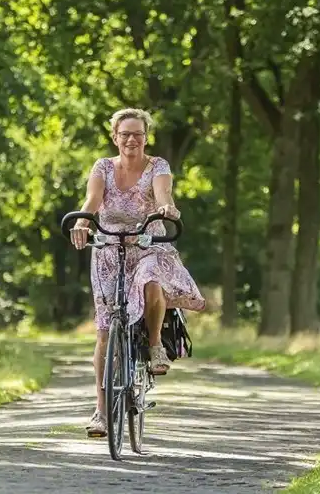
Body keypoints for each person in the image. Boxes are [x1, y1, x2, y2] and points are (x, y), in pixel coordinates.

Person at [70, 107, 206, 438]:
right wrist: (82, 221)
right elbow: (92, 200)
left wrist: (166, 208)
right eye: (125, 134)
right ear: (115, 137)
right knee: (105, 331)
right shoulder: (102, 167)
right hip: (110, 246)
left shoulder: (158, 166)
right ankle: (101, 412)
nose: (131, 139)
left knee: (151, 278)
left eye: (138, 134)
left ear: (146, 138)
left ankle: (155, 344)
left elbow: (163, 194)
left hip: (148, 243)